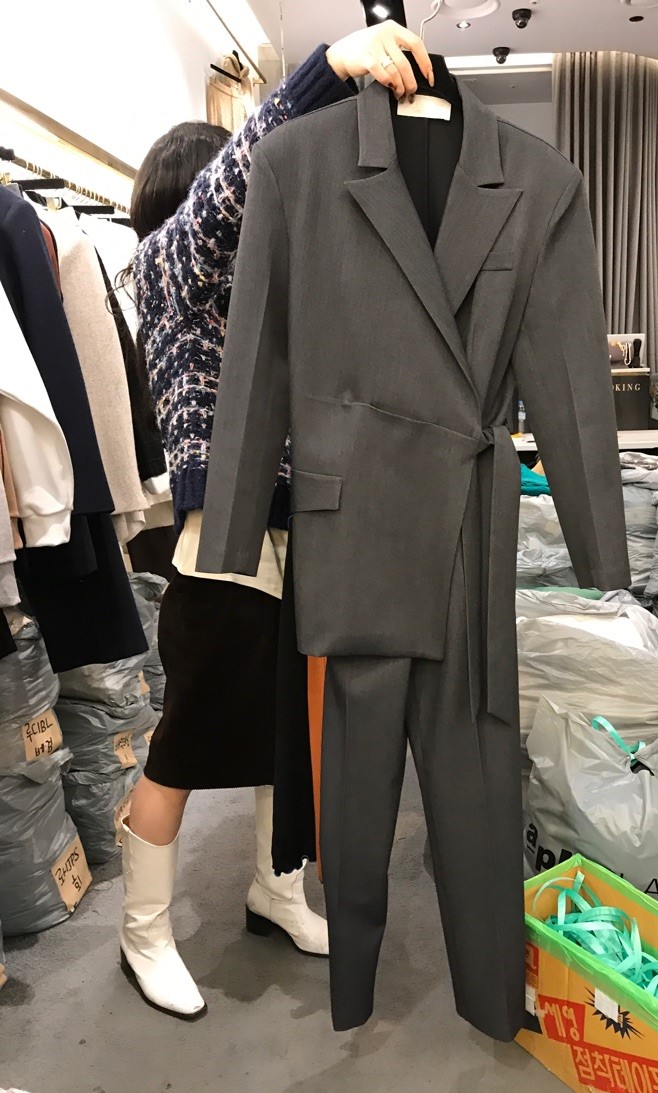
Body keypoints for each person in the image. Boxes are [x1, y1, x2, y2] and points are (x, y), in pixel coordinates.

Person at [123, 21, 433, 1021]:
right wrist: (324, 73)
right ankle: (142, 932)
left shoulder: (260, 285)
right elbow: (234, 190)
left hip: (293, 532)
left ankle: (276, 890)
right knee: (184, 742)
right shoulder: (170, 264)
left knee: (289, 738)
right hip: (221, 540)